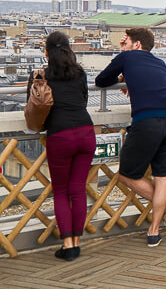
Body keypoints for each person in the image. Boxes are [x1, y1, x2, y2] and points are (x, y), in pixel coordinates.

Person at [95, 27, 166, 247]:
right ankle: (153, 232)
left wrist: (122, 62)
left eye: (126, 42)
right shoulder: (161, 64)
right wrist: (129, 79)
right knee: (162, 177)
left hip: (147, 122)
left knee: (127, 174)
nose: (123, 46)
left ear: (136, 44)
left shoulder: (127, 56)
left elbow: (101, 80)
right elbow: (151, 85)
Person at [27, 32, 95, 261]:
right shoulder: (80, 73)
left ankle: (68, 245)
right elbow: (84, 100)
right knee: (78, 190)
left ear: (46, 52)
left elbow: (35, 106)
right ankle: (77, 241)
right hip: (86, 132)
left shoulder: (40, 76)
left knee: (61, 191)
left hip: (60, 135)